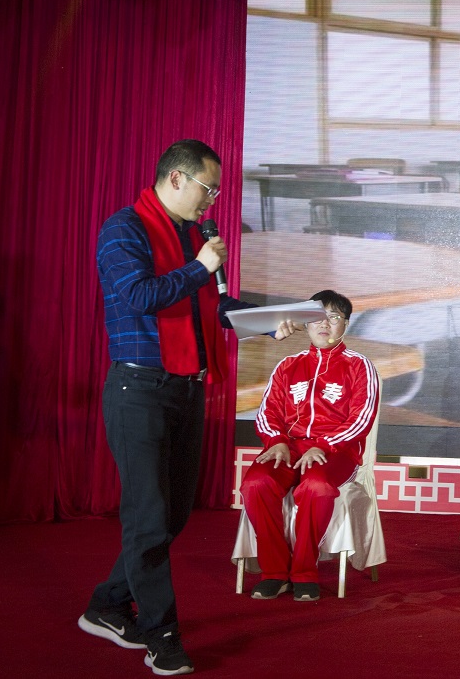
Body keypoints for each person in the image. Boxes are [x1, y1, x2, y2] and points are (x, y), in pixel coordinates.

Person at [81, 139, 296, 676]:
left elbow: (214, 305)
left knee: (173, 514)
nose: (212, 200)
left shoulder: (195, 236)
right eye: (208, 188)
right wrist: (201, 267)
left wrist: (268, 321)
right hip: (139, 388)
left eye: (216, 191)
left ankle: (107, 604)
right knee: (149, 517)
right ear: (176, 178)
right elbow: (140, 296)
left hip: (187, 388)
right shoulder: (123, 229)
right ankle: (162, 634)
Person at [240, 290, 381, 602]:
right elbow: (267, 413)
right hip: (288, 447)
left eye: (334, 317)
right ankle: (275, 572)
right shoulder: (288, 365)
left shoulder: (359, 366)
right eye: (317, 317)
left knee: (316, 487)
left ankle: (304, 572)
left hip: (336, 451)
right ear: (305, 323)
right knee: (256, 484)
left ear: (346, 324)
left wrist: (324, 444)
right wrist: (277, 441)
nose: (324, 324)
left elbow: (361, 419)